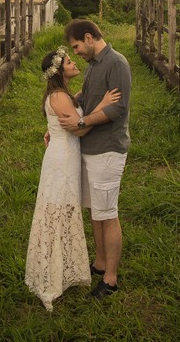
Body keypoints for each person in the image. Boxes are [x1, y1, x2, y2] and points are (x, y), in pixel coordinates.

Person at [25, 46, 120, 311]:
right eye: (69, 61)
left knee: (63, 212)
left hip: (65, 158)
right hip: (62, 162)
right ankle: (54, 275)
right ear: (60, 71)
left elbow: (71, 107)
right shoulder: (59, 97)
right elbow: (78, 131)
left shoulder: (63, 94)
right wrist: (101, 106)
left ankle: (64, 269)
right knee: (58, 213)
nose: (74, 62)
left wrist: (81, 100)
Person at [58, 18, 131, 299]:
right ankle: (100, 263)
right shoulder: (93, 66)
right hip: (90, 149)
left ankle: (110, 280)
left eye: (76, 46)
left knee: (108, 214)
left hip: (107, 150)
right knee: (95, 211)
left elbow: (118, 109)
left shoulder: (116, 63)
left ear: (89, 38)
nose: (75, 52)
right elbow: (87, 98)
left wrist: (82, 123)